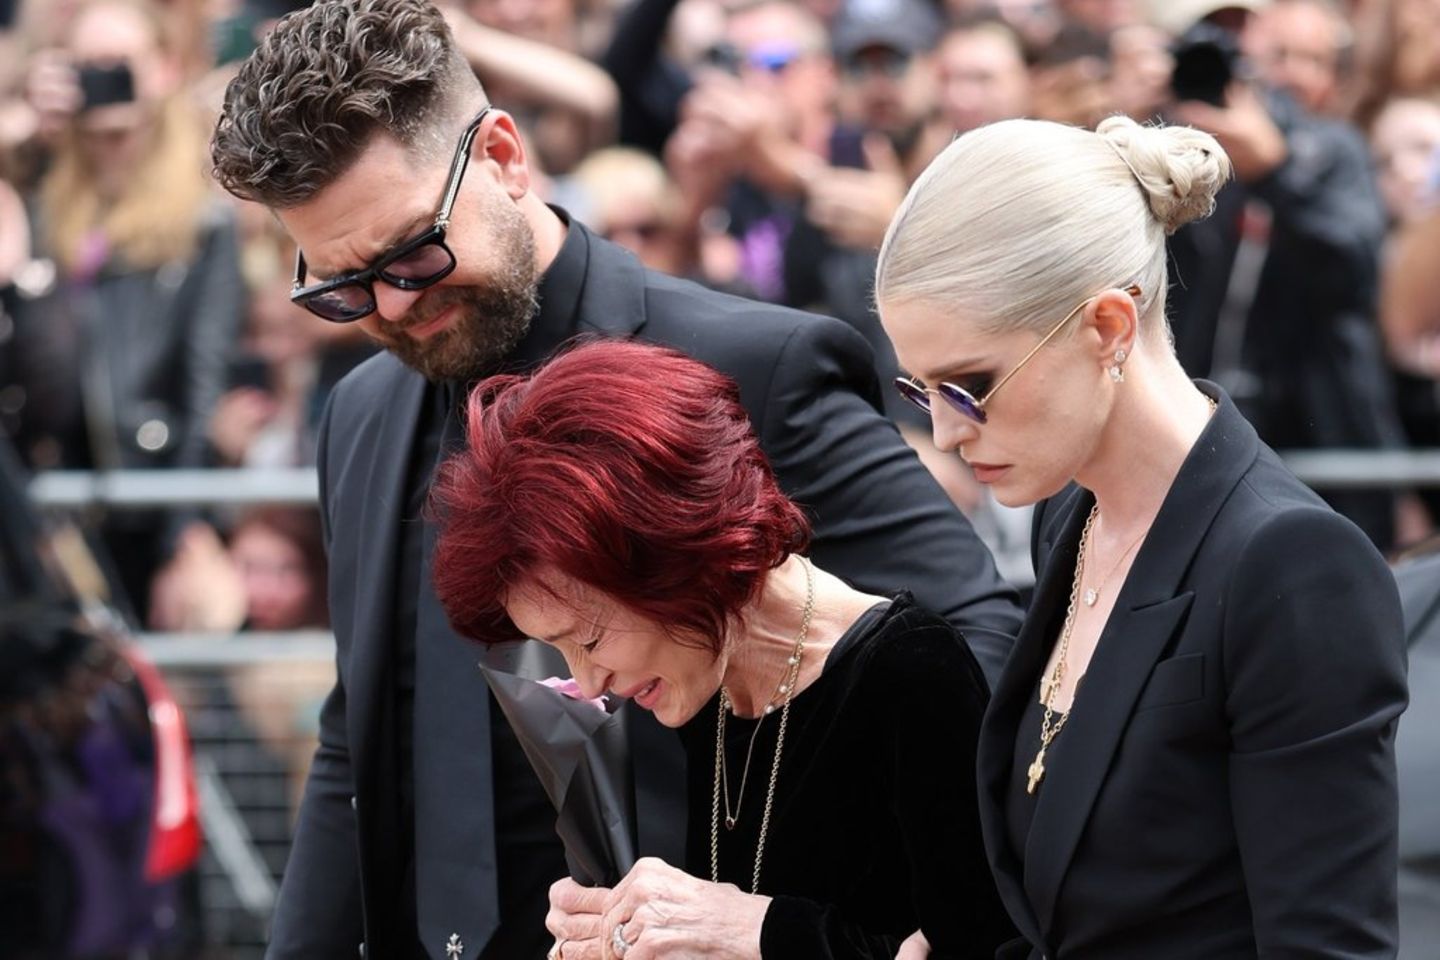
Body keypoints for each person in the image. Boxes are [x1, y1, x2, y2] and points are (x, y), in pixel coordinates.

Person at [208, 2, 1023, 958]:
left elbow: (972, 650)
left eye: (412, 253)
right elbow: (362, 734)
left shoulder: (750, 365)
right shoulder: (361, 416)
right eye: (340, 287)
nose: (392, 302)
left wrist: (782, 923)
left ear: (505, 157)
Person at [875, 115, 1409, 957]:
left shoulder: (1293, 564)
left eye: (969, 387)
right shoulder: (1072, 515)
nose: (944, 432)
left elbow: (1326, 946)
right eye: (921, 391)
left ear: (1109, 328)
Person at [428, 338, 1015, 960]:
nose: (589, 683)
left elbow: (986, 946)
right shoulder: (708, 674)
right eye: (556, 649)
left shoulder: (911, 673)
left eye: (590, 638)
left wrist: (755, 930)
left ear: (676, 562)